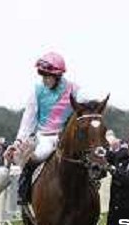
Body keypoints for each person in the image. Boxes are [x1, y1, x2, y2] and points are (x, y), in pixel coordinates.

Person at [10, 51, 78, 205]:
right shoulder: (37, 90)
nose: (44, 79)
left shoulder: (75, 90)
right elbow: (29, 118)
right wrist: (20, 140)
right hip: (45, 138)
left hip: (67, 137)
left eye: (48, 76)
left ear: (58, 75)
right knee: (32, 159)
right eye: (43, 75)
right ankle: (24, 193)